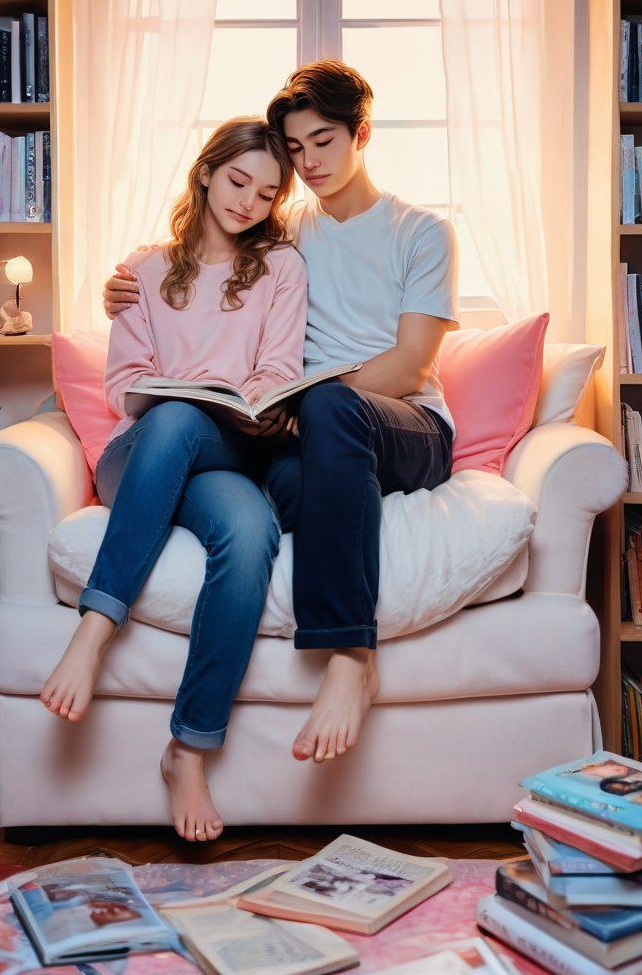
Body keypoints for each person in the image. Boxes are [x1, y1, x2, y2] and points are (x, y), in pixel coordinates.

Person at [104, 60, 458, 770]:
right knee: (283, 485)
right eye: (296, 149)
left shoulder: (422, 231)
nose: (309, 162)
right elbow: (197, 267)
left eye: (323, 141)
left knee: (329, 404)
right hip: (319, 440)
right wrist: (121, 286)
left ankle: (351, 656)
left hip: (407, 427)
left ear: (361, 133)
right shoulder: (283, 229)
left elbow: (410, 366)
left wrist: (307, 403)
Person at [42, 116, 307, 843]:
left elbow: (279, 370)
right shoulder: (145, 270)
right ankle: (96, 629)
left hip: (229, 448)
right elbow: (123, 383)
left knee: (250, 531)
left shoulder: (281, 268)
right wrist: (188, 393)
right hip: (143, 453)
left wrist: (235, 400)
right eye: (238, 181)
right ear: (206, 173)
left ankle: (188, 749)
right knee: (175, 418)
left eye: (266, 193)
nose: (249, 201)